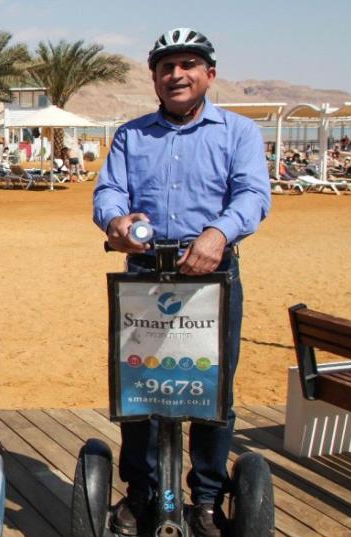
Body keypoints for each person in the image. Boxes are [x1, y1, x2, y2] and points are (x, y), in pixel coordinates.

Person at [93, 27, 270, 537]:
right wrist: (116, 223)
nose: (177, 75)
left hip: (211, 273)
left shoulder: (237, 132)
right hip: (145, 274)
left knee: (209, 389)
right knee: (140, 385)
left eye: (188, 65)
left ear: (209, 75)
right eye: (166, 67)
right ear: (154, 78)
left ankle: (207, 499)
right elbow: (109, 191)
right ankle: (141, 493)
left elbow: (253, 195)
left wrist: (218, 232)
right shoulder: (131, 134)